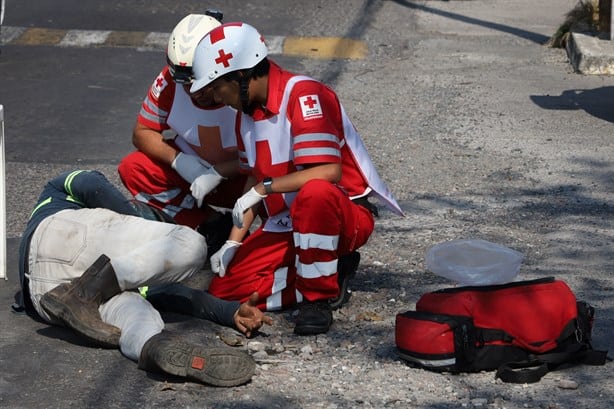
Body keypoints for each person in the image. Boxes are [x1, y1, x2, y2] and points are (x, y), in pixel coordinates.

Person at [188, 22, 404, 336]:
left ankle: (317, 298)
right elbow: (251, 180)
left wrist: (266, 188)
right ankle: (329, 271)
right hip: (287, 223)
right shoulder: (245, 116)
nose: (219, 98)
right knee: (225, 291)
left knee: (314, 193)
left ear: (241, 76)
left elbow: (328, 173)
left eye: (218, 87)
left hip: (341, 214)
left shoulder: (304, 95)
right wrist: (233, 242)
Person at [16, 169, 272, 387]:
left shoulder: (126, 271)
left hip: (42, 296)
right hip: (61, 236)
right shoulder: (57, 197)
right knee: (191, 244)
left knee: (135, 316)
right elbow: (88, 181)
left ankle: (152, 345)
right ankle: (89, 295)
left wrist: (229, 312)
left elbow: (171, 293)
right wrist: (133, 216)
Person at [117, 11, 245, 253]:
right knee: (133, 167)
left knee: (282, 185)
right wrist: (180, 162)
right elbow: (142, 132)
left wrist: (219, 172)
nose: (192, 92)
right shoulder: (168, 82)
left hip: (243, 178)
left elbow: (270, 152)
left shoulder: (245, 85)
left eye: (199, 82)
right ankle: (209, 224)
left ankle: (258, 239)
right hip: (192, 180)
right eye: (184, 83)